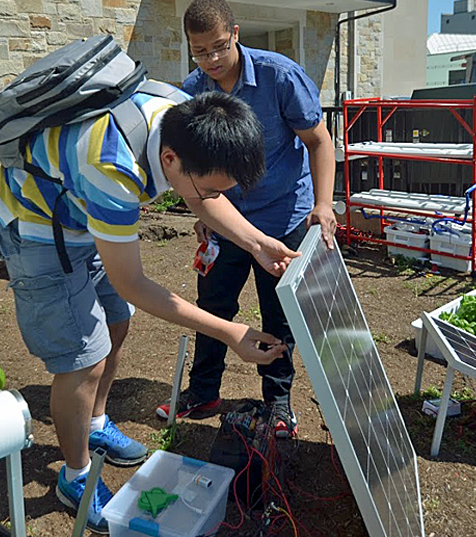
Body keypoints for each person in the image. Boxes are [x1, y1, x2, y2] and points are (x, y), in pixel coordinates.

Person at [0, 89, 298, 533]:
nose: (212, 197)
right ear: (169, 160)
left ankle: (93, 423)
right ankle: (74, 474)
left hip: (79, 211)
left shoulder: (181, 117)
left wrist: (257, 243)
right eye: (210, 187)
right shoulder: (112, 168)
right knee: (82, 357)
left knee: (117, 322)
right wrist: (230, 332)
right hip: (36, 225)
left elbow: (201, 196)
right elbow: (131, 282)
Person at [154, 0, 337, 438]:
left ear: (235, 33)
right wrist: (201, 208)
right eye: (200, 51)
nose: (212, 60)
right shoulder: (194, 90)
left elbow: (319, 140)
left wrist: (325, 204)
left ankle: (278, 402)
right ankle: (203, 392)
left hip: (283, 216)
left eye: (219, 46)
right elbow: (192, 167)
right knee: (213, 306)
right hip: (227, 219)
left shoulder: (280, 76)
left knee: (279, 315)